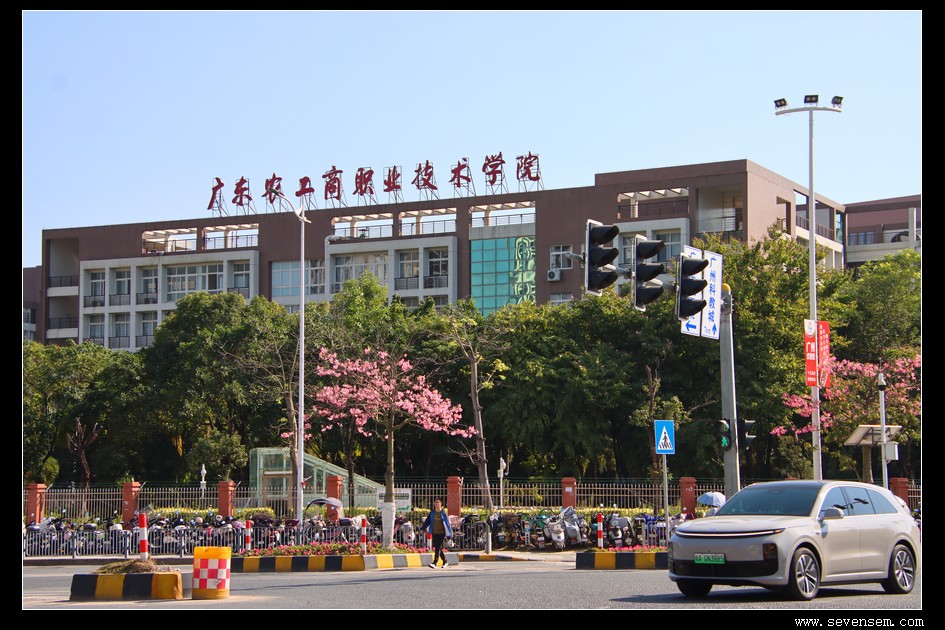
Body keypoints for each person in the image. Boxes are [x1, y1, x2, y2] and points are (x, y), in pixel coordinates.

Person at [422, 498, 452, 568]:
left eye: (438, 502)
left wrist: (449, 535)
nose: (436, 504)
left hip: (442, 533)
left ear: (441, 504)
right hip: (434, 532)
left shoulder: (443, 513)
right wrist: (423, 528)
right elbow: (427, 521)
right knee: (438, 548)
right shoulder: (432, 513)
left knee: (437, 547)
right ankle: (445, 561)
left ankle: (434, 562)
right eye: (435, 502)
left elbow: (447, 524)